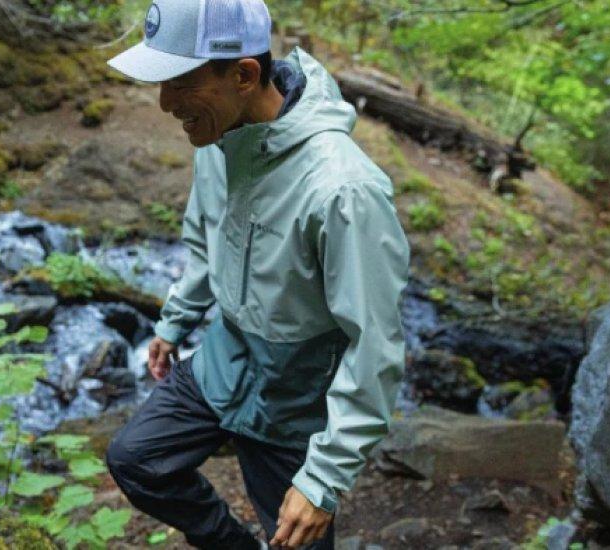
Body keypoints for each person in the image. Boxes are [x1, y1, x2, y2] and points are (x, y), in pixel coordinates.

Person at [102, 0, 411, 548]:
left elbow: (375, 346)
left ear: (244, 74)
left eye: (178, 81)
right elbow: (208, 240)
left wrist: (322, 480)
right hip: (225, 363)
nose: (164, 102)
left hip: (294, 404)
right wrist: (176, 321)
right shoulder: (219, 141)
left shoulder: (343, 190)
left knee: (298, 539)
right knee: (137, 459)